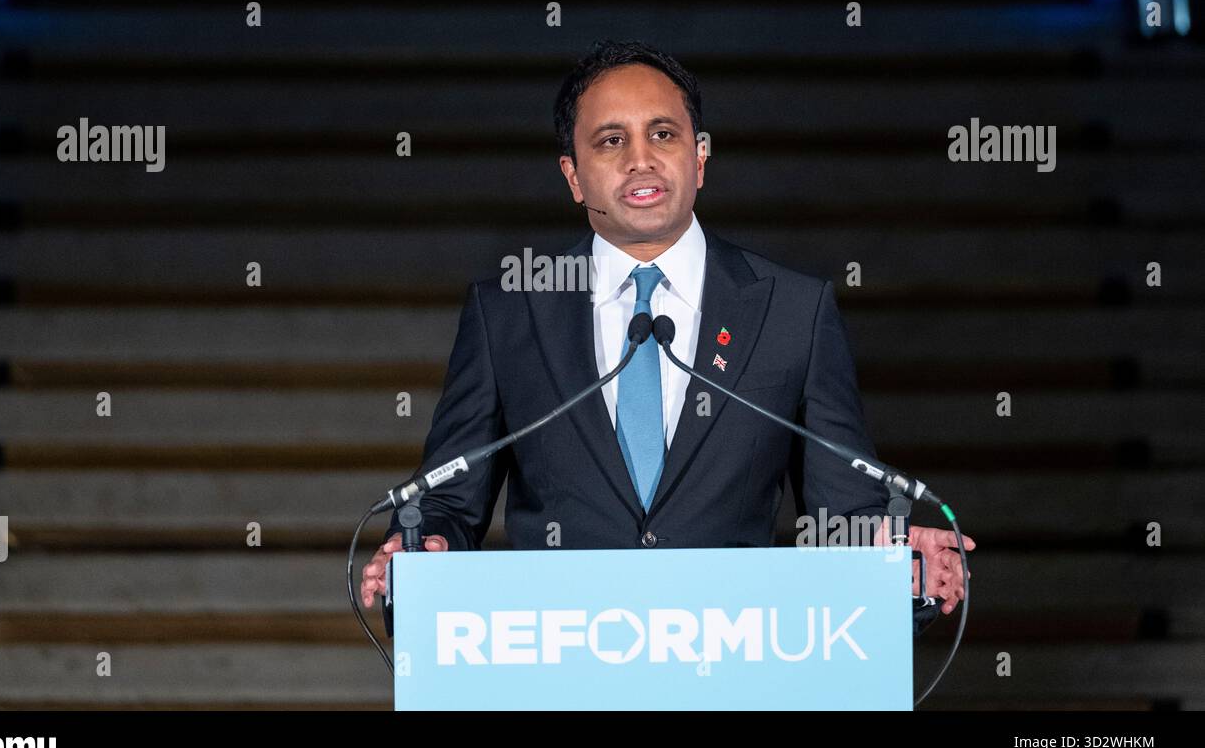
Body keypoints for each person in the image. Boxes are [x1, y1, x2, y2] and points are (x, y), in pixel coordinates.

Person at [361, 40, 973, 624]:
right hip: (558, 668)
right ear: (573, 176)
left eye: (663, 133)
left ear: (699, 157)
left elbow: (845, 507)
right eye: (610, 140)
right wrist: (419, 551)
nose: (640, 159)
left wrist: (895, 556)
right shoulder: (509, 314)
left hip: (737, 666)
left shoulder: (794, 310)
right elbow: (447, 501)